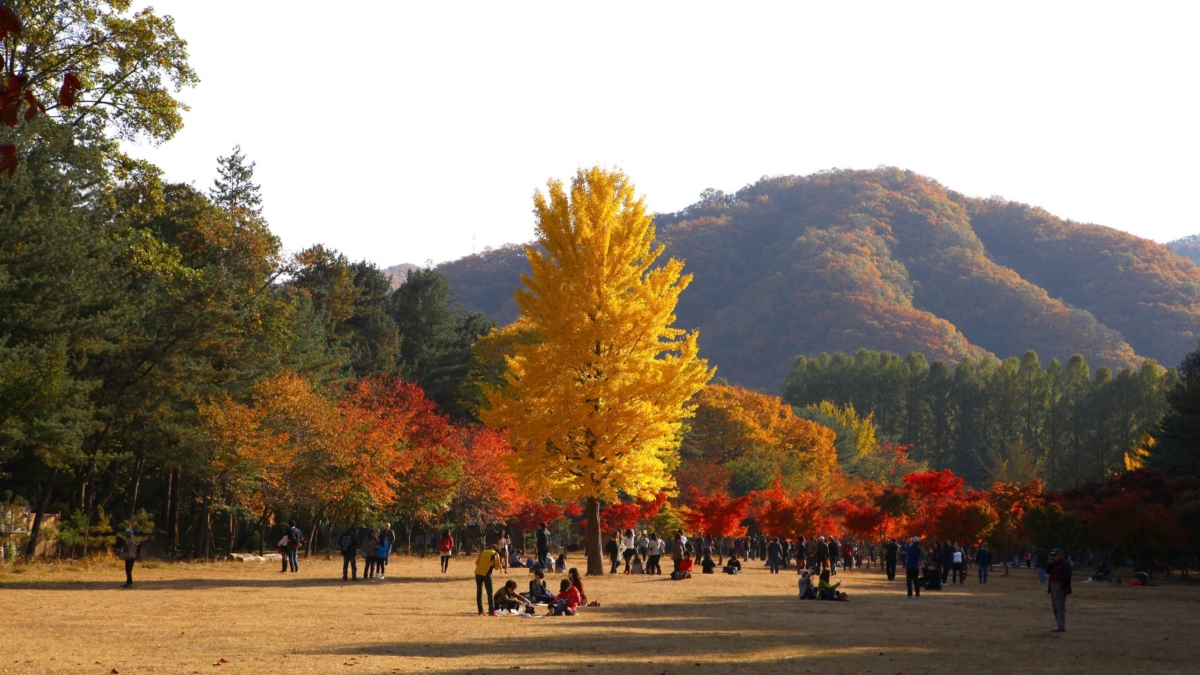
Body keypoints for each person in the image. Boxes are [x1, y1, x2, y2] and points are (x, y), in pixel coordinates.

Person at [1047, 548, 1073, 632]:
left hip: (1059, 586)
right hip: (1053, 585)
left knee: (1060, 607)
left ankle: (1061, 625)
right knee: (1055, 607)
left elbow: (1067, 577)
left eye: (1055, 555)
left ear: (1061, 555)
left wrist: (1062, 587)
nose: (1053, 557)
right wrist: (1050, 563)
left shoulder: (1065, 565)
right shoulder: (1054, 564)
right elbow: (1047, 571)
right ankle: (1059, 624)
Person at [475, 541, 503, 616]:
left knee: (479, 592)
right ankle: (492, 610)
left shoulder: (483, 552)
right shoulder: (495, 554)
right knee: (490, 593)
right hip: (487, 574)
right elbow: (497, 567)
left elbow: (476, 563)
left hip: (478, 573)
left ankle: (480, 610)